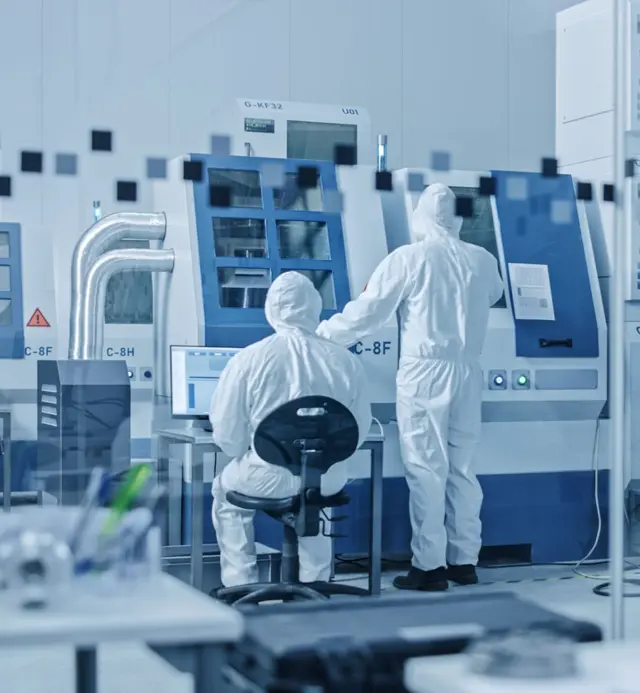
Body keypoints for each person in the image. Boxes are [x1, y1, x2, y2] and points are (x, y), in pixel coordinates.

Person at [317, 183, 504, 592]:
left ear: (420, 215)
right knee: (463, 468)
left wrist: (322, 335)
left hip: (425, 371)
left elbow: (367, 313)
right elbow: (494, 295)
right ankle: (464, 561)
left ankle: (429, 568)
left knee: (426, 468)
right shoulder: (482, 259)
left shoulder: (409, 258)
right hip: (468, 370)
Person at [210, 271, 372, 588]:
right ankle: (316, 583)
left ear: (270, 308)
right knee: (315, 497)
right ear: (315, 307)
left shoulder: (248, 359)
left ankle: (240, 584)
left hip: (266, 477)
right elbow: (358, 430)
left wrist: (248, 449)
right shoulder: (346, 361)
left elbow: (228, 437)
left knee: (224, 492)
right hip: (327, 478)